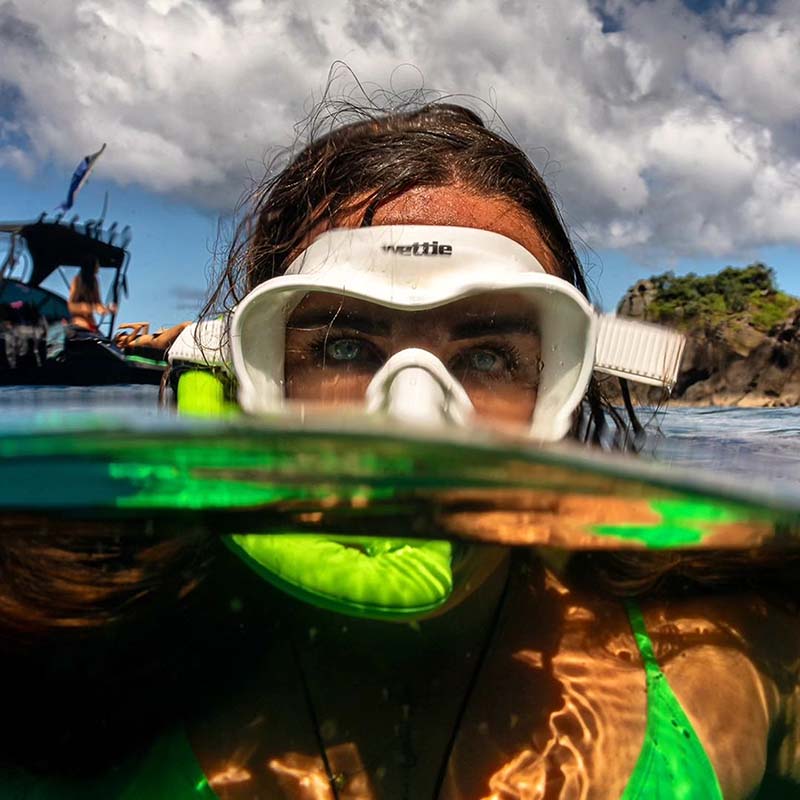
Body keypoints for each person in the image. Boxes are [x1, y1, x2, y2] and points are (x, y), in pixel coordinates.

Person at [1, 102, 798, 800]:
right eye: (344, 347)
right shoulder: (76, 677)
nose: (413, 427)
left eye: (489, 355)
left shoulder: (727, 664)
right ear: (241, 384)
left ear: (569, 384)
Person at [67, 259, 116, 333]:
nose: (98, 267)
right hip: (77, 321)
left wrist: (108, 309)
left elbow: (98, 304)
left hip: (90, 323)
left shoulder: (94, 280)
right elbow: (70, 306)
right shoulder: (77, 280)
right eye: (97, 265)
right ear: (91, 266)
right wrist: (83, 307)